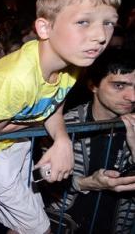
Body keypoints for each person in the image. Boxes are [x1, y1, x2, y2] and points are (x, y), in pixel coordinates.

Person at [0, 0, 121, 233]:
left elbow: (53, 104)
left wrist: (62, 139)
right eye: (83, 22)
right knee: (39, 228)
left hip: (16, 138)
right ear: (44, 28)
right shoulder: (14, 78)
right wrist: (46, 128)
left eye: (109, 23)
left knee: (22, 222)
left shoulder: (73, 65)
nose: (101, 35)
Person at [42, 48, 135, 233]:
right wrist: (86, 183)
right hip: (67, 223)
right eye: (119, 86)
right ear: (93, 85)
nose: (132, 97)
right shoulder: (64, 126)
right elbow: (43, 180)